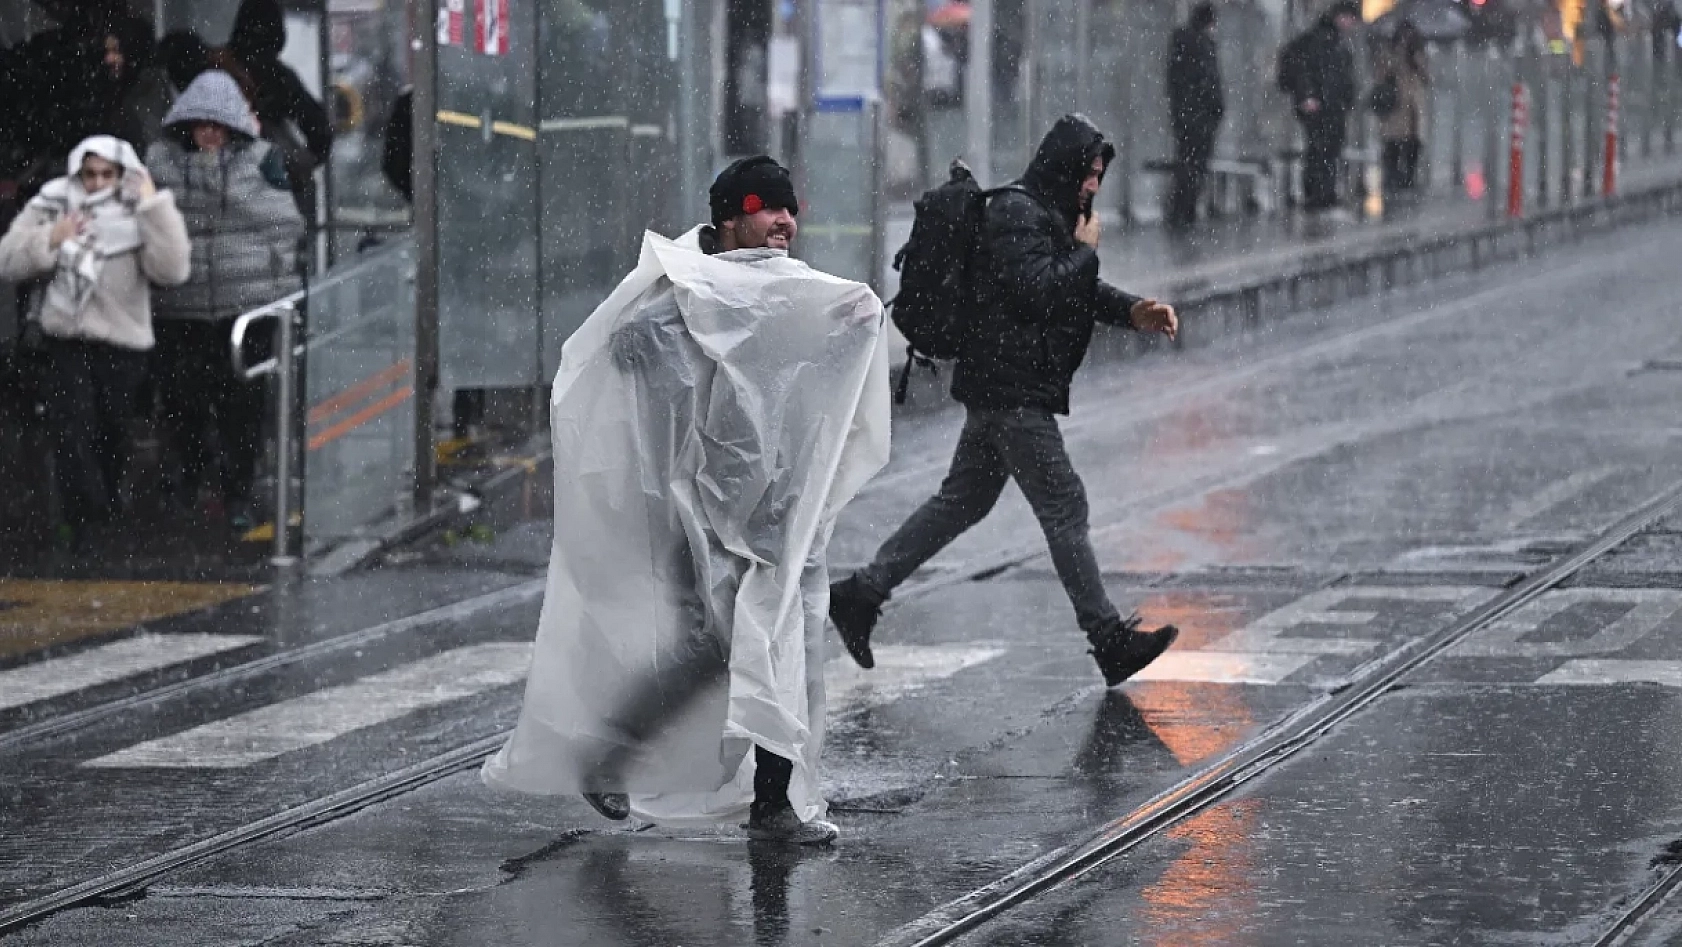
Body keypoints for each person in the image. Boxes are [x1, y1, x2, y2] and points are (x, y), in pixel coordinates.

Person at [481, 156, 890, 846]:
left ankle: (771, 803)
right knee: (720, 644)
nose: (785, 222)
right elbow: (631, 349)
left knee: (780, 639)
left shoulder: (781, 287)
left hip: (771, 505)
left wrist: (848, 322)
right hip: (698, 507)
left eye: (791, 209)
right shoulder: (684, 285)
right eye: (768, 208)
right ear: (731, 216)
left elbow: (801, 346)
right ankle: (613, 754)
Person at [828, 114, 1181, 687]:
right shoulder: (1017, 213)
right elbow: (1039, 291)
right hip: (1011, 391)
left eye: (1098, 176)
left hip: (1006, 387)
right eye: (1088, 173)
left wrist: (1130, 309)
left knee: (961, 502)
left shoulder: (1044, 213)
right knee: (1065, 506)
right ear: (1065, 165)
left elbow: (1069, 289)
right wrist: (1086, 252)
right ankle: (1108, 639)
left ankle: (862, 593)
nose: (1093, 185)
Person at [0, 135, 190, 550]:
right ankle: (84, 521)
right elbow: (8, 259)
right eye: (89, 174)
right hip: (65, 335)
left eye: (107, 174)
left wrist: (153, 205)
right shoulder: (52, 201)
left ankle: (104, 509)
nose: (98, 183)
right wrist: (52, 236)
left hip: (123, 340)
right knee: (72, 430)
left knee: (113, 431)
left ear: (122, 174)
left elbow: (173, 270)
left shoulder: (139, 209)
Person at [146, 70, 304, 530]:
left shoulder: (263, 159)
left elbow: (284, 221)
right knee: (184, 405)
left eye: (218, 124)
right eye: (201, 124)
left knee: (242, 407)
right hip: (182, 307)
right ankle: (190, 484)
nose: (209, 133)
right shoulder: (160, 162)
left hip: (246, 308)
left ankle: (236, 489)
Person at [218, 0, 332, 217]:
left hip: (223, 182)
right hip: (277, 183)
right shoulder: (279, 76)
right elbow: (318, 127)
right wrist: (301, 164)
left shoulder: (219, 66)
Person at [1278, 0, 1361, 212]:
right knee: (1321, 150)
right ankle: (1318, 195)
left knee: (1327, 150)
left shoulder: (1335, 41)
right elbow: (1302, 67)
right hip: (1323, 106)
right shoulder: (1320, 40)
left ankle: (1323, 193)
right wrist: (1308, 95)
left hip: (1331, 106)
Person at [1165, 2, 1225, 229]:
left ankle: (1182, 211)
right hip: (1199, 118)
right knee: (1194, 166)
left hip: (1188, 117)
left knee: (1187, 163)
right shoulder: (1202, 45)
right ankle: (1184, 212)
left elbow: (1177, 83)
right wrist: (1215, 110)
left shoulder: (1183, 43)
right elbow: (1209, 84)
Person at [1373, 20, 1429, 197]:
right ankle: (1392, 177)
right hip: (1396, 104)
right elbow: (1380, 74)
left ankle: (1409, 177)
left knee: (1413, 143)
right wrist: (1396, 57)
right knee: (1392, 143)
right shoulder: (1388, 52)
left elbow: (1427, 77)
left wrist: (1416, 59)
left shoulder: (1419, 54)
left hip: (1414, 105)